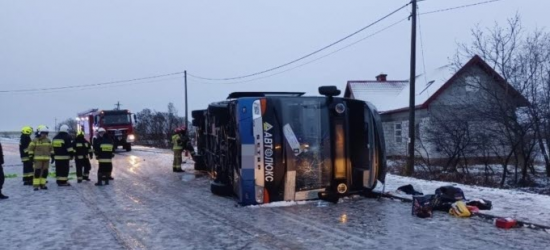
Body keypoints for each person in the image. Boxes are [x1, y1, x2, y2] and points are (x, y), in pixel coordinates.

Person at [28, 126, 54, 191]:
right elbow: (30, 149)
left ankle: (43, 184)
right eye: (43, 133)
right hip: (38, 159)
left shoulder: (48, 140)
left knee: (45, 172)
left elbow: (51, 149)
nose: (44, 134)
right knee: (37, 172)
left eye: (45, 133)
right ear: (39, 133)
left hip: (46, 159)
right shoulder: (35, 140)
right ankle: (36, 186)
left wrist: (53, 156)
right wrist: (31, 156)